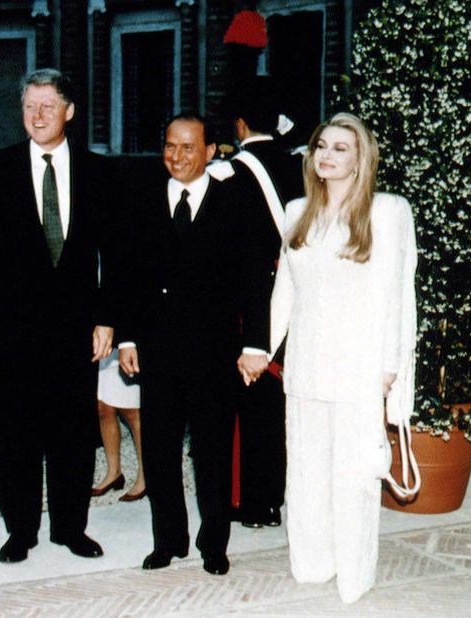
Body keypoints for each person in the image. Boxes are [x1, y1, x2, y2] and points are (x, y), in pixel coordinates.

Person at [0, 69, 119, 564]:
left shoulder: (98, 172)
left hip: (76, 330)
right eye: (30, 106)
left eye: (48, 106)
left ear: (69, 111)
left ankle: (71, 528)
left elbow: (115, 253)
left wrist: (108, 316)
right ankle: (20, 531)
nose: (38, 115)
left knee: (73, 433)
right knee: (15, 434)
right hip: (11, 328)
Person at [117, 114, 276, 576]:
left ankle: (214, 544)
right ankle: (168, 540)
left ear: (210, 152)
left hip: (215, 354)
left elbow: (254, 282)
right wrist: (127, 337)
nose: (177, 157)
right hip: (158, 352)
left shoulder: (236, 202)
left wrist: (255, 345)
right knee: (160, 450)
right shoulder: (144, 198)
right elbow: (128, 275)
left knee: (212, 453)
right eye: (170, 146)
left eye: (188, 148)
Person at [268, 112, 417, 603]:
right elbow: (283, 292)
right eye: (321, 146)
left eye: (340, 149)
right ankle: (312, 562)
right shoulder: (295, 212)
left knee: (354, 475)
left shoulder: (386, 212)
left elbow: (397, 294)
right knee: (307, 470)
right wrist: (262, 350)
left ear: (361, 160)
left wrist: (390, 367)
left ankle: (355, 572)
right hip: (307, 365)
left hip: (360, 366)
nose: (327, 155)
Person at [209, 76, 303, 529]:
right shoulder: (304, 166)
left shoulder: (227, 172)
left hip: (247, 304)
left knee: (246, 404)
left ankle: (247, 500)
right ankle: (275, 496)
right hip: (297, 300)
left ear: (240, 124)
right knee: (283, 403)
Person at [91, 352, 145, 502]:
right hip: (104, 348)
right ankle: (114, 472)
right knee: (103, 407)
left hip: (125, 344)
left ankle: (145, 475)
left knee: (131, 410)